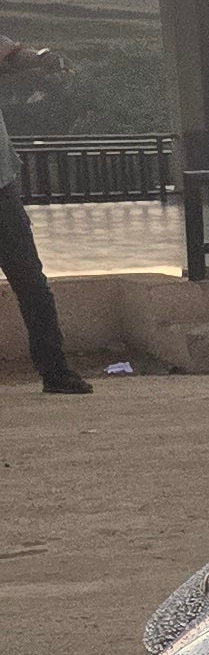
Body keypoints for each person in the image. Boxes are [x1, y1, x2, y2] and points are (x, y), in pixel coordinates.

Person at [0, 40, 93, 394]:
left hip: (1, 188)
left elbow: (11, 55)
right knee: (31, 284)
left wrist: (41, 58)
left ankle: (55, 371)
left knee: (32, 283)